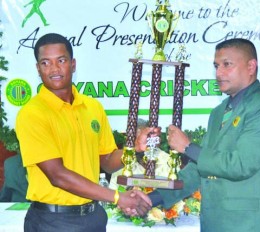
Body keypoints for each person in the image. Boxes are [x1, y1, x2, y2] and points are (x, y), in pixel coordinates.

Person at [15, 33, 155, 232]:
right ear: (38, 69)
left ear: (73, 64)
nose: (54, 69)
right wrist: (116, 197)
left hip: (93, 218)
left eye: (61, 60)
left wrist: (134, 149)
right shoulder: (32, 114)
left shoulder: (92, 107)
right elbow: (57, 175)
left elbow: (106, 160)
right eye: (45, 63)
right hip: (52, 222)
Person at [148, 38, 260, 232]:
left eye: (227, 65)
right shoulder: (218, 112)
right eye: (216, 66)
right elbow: (199, 168)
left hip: (250, 224)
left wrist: (188, 147)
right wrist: (152, 198)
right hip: (214, 223)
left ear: (251, 66)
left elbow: (240, 164)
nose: (219, 73)